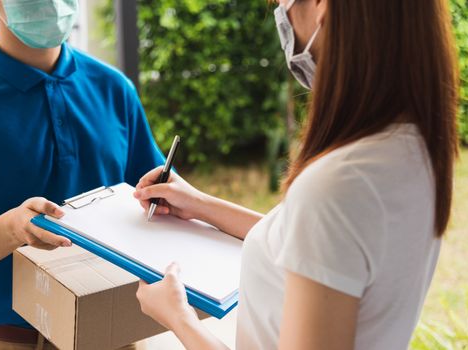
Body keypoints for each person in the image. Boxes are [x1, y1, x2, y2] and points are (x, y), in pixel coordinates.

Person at [133, 0, 459, 349]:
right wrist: (199, 204)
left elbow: (324, 222)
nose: (280, 13)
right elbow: (323, 244)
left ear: (322, 7)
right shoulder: (412, 149)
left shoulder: (337, 187)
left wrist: (178, 319)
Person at [0, 0, 164, 349]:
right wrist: (11, 229)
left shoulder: (114, 89)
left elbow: (158, 203)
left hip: (117, 333)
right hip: (12, 340)